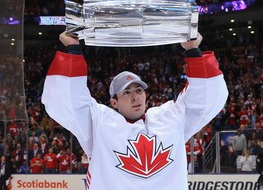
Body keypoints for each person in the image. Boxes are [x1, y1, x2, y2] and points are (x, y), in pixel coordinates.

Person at [42, 31, 228, 190]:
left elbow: (206, 100)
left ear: (146, 95)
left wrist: (193, 51)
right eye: (126, 93)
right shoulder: (99, 124)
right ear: (113, 103)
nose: (135, 97)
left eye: (139, 90)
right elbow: (66, 100)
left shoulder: (169, 118)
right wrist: (73, 49)